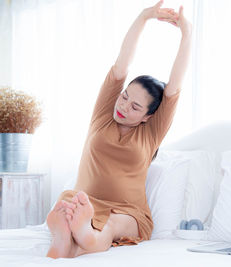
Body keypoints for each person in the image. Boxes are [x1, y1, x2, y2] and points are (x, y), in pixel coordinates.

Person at [45, 0, 192, 258]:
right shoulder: (104, 112)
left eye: (135, 107)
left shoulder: (151, 133)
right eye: (124, 96)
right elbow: (122, 63)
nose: (123, 106)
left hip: (127, 212)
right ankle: (68, 241)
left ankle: (80, 233)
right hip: (83, 201)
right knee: (70, 208)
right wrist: (143, 17)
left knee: (110, 225)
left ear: (148, 117)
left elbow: (174, 87)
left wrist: (187, 33)